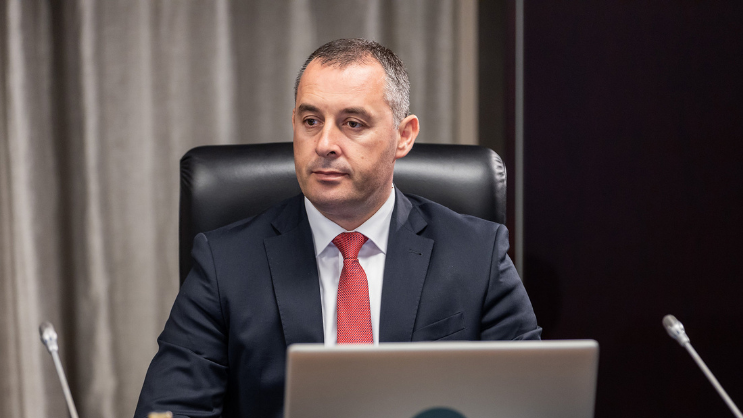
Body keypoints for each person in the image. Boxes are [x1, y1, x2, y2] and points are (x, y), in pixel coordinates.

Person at [134, 38, 540, 418]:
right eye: (311, 121)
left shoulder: (477, 254)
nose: (325, 143)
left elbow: (531, 401)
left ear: (403, 136)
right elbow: (172, 407)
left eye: (353, 123)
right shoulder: (225, 263)